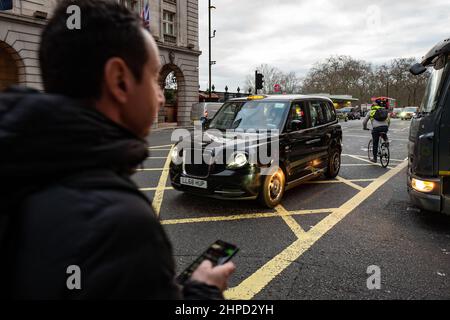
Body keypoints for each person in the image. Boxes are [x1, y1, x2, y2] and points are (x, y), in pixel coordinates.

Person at [0, 0, 234, 299]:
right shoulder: (120, 224)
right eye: (153, 78)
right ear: (119, 80)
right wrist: (204, 291)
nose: (162, 98)